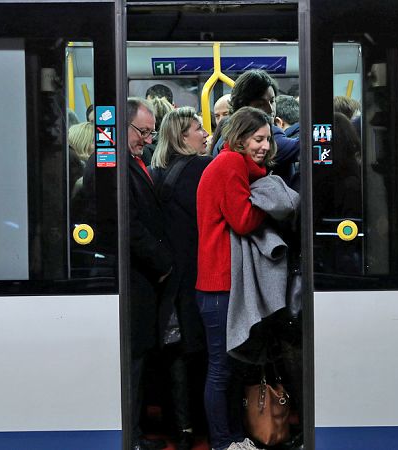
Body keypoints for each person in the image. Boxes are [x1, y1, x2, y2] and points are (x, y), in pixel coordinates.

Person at [196, 106, 278, 450]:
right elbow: (243, 220)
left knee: (225, 368)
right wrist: (270, 200)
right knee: (220, 370)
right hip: (219, 284)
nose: (265, 146)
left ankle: (230, 438)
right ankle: (222, 442)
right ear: (241, 138)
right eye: (258, 138)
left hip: (217, 284)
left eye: (269, 139)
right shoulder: (231, 164)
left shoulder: (233, 164)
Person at [148, 106, 212, 450]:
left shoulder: (160, 173)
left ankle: (181, 427)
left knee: (175, 349)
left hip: (171, 279)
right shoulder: (201, 169)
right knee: (199, 352)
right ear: (181, 137)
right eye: (198, 129)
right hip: (197, 276)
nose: (205, 133)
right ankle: (196, 425)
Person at [126, 98, 175, 450]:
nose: (147, 138)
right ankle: (132, 436)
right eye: (142, 131)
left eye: (150, 131)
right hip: (136, 276)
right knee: (133, 362)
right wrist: (164, 262)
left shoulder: (134, 163)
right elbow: (130, 227)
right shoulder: (113, 168)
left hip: (144, 277)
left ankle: (137, 431)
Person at [213, 70, 299, 187]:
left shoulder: (227, 131)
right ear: (243, 106)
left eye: (272, 101)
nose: (270, 109)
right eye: (260, 104)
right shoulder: (261, 134)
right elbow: (303, 147)